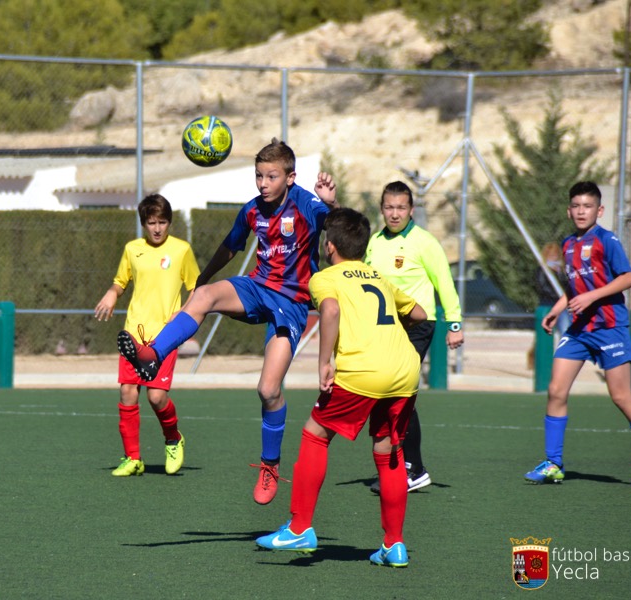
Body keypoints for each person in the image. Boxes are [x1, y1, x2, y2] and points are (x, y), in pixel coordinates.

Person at [117, 139, 337, 504]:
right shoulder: (252, 210)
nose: (263, 183)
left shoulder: (306, 204)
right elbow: (230, 246)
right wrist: (202, 279)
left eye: (271, 176)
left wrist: (331, 202)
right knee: (202, 297)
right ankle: (151, 354)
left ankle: (270, 466)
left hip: (292, 303)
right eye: (258, 176)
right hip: (256, 287)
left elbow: (336, 225)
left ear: (290, 177)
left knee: (268, 391)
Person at [255, 208, 427, 566]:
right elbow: (420, 314)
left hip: (362, 372)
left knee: (315, 434)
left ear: (329, 246)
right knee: (388, 449)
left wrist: (324, 361)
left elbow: (329, 312)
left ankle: (300, 528)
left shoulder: (326, 277)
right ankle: (394, 545)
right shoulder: (378, 276)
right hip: (404, 370)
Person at [525, 181, 631, 486]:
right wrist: (557, 308)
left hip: (609, 328)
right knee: (556, 390)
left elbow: (628, 278)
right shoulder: (568, 244)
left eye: (588, 206)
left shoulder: (607, 240)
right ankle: (553, 463)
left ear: (599, 210)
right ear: (569, 211)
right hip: (580, 330)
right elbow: (574, 288)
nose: (582, 211)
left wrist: (592, 298)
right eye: (577, 206)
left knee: (620, 396)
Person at [363, 181, 463, 493]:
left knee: (399, 392)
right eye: (389, 208)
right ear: (382, 209)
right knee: (390, 393)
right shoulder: (374, 243)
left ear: (411, 210)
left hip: (419, 325)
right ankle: (408, 465)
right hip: (385, 327)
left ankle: (412, 467)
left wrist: (455, 323)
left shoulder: (425, 242)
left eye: (401, 208)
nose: (395, 214)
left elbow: (444, 282)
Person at [94, 194, 200, 477]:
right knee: (128, 392)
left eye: (162, 222)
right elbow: (120, 281)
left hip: (164, 337)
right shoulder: (132, 249)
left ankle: (173, 438)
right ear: (144, 223)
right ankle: (132, 458)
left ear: (169, 222)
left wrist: (186, 312)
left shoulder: (181, 250)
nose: (157, 228)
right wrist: (111, 294)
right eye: (151, 222)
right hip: (134, 333)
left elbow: (196, 287)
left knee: (156, 398)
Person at [527, 242, 571, 369]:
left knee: (565, 331)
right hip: (548, 304)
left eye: (556, 254)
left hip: (562, 307)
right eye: (551, 254)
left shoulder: (562, 270)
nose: (554, 257)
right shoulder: (542, 270)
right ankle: (536, 359)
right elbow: (542, 287)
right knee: (544, 335)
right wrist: (556, 295)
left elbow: (567, 285)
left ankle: (564, 361)